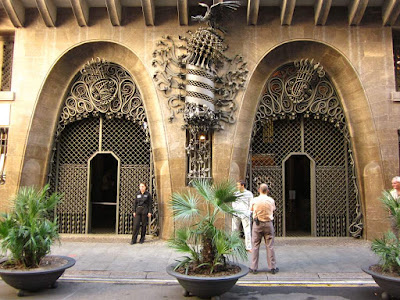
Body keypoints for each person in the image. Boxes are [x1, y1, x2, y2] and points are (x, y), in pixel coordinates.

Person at [249, 183, 279, 274]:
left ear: (259, 190)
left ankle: (254, 267)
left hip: (257, 224)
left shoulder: (254, 200)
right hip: (268, 224)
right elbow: (273, 209)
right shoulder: (271, 200)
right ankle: (272, 267)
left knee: (255, 246)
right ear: (268, 191)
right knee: (270, 246)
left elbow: (251, 209)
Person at [232, 180, 253, 251]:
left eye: (238, 185)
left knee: (247, 231)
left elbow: (251, 203)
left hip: (245, 214)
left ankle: (248, 247)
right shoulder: (235, 194)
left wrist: (249, 212)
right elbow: (233, 203)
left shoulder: (249, 194)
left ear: (242, 185)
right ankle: (233, 246)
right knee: (234, 230)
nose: (237, 186)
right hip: (236, 214)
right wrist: (234, 211)